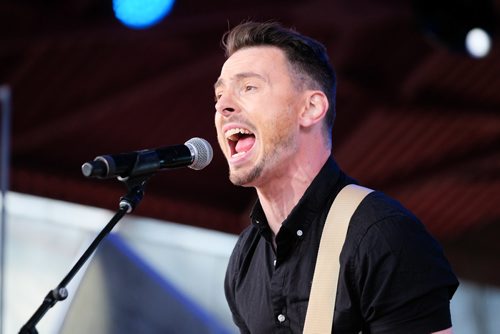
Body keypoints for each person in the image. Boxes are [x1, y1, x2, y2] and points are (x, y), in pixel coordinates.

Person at [213, 21, 459, 333]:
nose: (223, 106)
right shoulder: (246, 256)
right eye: (219, 96)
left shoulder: (382, 235)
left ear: (311, 108)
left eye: (249, 87)